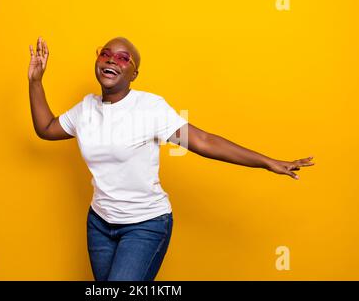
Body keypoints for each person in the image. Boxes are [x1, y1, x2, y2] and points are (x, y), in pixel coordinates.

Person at [28, 36, 315, 281]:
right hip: (100, 224)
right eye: (106, 54)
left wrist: (267, 161)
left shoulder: (150, 108)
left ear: (134, 73)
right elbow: (47, 128)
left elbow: (202, 141)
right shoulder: (85, 109)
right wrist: (36, 82)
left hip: (145, 224)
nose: (112, 60)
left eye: (122, 58)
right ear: (97, 60)